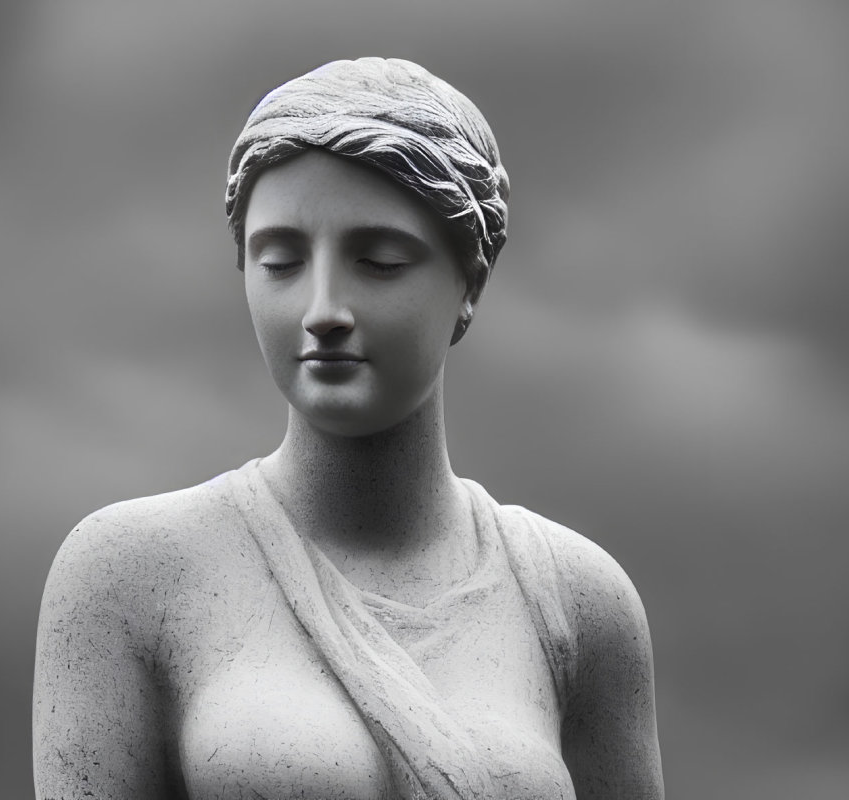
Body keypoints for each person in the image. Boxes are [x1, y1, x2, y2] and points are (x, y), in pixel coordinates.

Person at [33, 57, 664, 800]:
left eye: (379, 261)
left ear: (470, 285)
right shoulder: (129, 572)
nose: (323, 308)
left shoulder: (579, 601)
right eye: (281, 262)